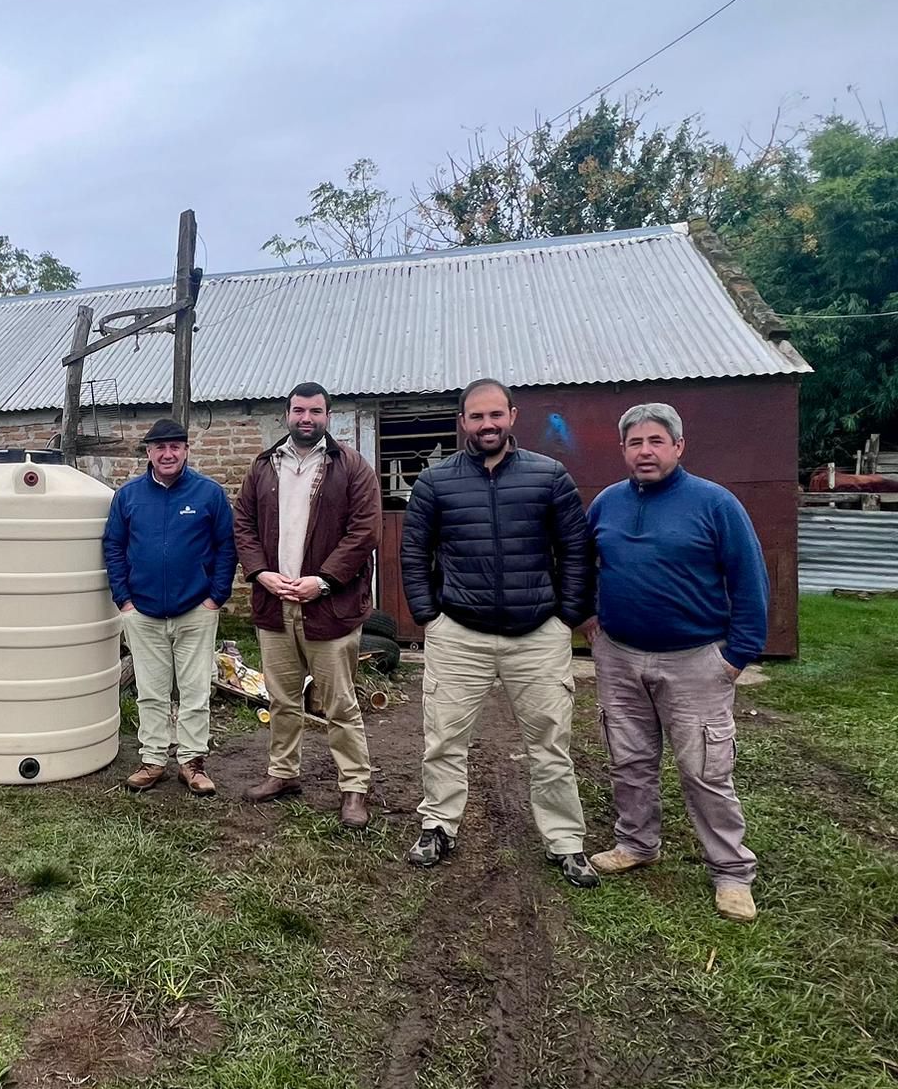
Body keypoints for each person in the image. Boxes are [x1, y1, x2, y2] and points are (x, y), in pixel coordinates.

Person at [399, 378, 597, 886]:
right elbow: (413, 554)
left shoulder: (549, 476)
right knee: (443, 739)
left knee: (550, 743)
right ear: (462, 422)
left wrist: (566, 615)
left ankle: (565, 841)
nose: (487, 424)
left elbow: (576, 551)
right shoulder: (436, 482)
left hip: (536, 634)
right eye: (476, 416)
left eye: (495, 415)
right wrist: (429, 615)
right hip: (459, 634)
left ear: (512, 415)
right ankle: (438, 824)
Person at [585, 403, 768, 922]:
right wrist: (587, 617)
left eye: (656, 441)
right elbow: (579, 560)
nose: (645, 451)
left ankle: (731, 872)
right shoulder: (607, 503)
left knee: (705, 769)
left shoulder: (715, 504)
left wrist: (738, 655)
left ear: (679, 447)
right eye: (635, 443)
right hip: (619, 656)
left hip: (695, 660)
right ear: (623, 450)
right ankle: (636, 843)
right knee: (630, 758)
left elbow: (750, 579)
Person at [232, 382, 381, 828]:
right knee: (281, 699)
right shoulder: (264, 466)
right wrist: (260, 573)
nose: (306, 419)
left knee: (340, 704)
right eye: (299, 411)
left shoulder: (351, 467)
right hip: (275, 602)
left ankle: (354, 787)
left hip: (329, 605)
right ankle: (283, 774)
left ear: (327, 416)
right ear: (287, 414)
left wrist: (324, 580)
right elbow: (243, 523)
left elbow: (366, 532)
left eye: (315, 411)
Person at [103, 417, 237, 796]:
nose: (167, 454)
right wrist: (123, 600)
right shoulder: (128, 496)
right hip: (142, 611)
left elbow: (227, 547)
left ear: (186, 450)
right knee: (151, 690)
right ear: (148, 453)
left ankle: (192, 762)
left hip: (196, 608)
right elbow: (113, 547)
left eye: (175, 447)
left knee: (195, 690)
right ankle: (153, 759)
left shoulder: (207, 494)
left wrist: (216, 597)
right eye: (160, 448)